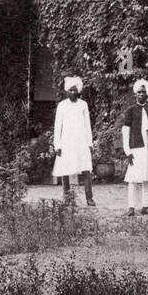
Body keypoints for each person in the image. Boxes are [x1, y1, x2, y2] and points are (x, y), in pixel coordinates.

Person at [53, 76, 95, 206]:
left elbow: (87, 125)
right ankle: (68, 198)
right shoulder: (62, 105)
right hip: (67, 141)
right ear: (67, 91)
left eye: (75, 90)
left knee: (86, 168)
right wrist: (57, 145)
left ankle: (89, 197)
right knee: (65, 169)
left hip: (81, 140)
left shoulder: (83, 104)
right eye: (70, 90)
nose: (73, 92)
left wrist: (90, 143)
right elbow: (57, 126)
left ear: (78, 91)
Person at [122, 78, 148, 216]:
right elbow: (125, 131)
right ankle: (131, 207)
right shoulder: (130, 111)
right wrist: (127, 151)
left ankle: (145, 206)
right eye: (139, 92)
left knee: (147, 177)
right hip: (136, 148)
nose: (141, 94)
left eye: (144, 92)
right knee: (133, 178)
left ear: (147, 94)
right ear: (135, 94)